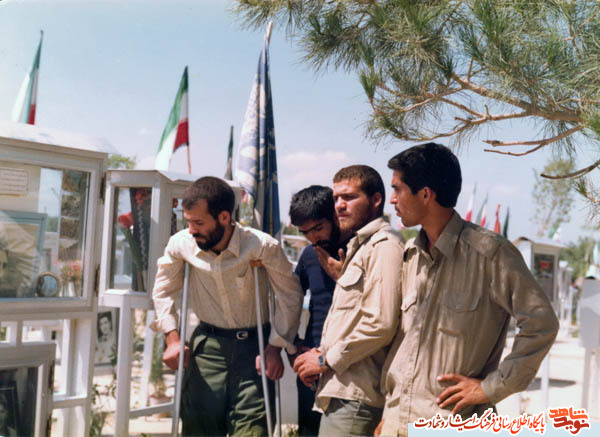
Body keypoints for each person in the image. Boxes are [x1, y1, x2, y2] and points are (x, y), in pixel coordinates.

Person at [378, 143, 559, 436]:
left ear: (425, 194)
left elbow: (542, 324)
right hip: (397, 422)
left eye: (398, 189)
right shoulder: (411, 255)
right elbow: (404, 343)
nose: (392, 200)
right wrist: (390, 413)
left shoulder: (490, 253)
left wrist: (490, 388)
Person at [151, 176, 303, 437]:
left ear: (223, 217)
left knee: (254, 430)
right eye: (188, 222)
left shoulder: (261, 246)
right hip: (208, 349)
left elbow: (289, 295)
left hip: (254, 350)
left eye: (199, 223)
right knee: (199, 429)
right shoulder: (182, 243)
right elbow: (163, 291)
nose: (191, 230)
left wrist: (275, 347)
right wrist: (172, 339)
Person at [293, 166, 404, 436]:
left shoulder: (383, 246)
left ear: (376, 199)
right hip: (326, 379)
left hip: (354, 386)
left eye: (349, 197)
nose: (340, 205)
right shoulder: (353, 249)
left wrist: (324, 360)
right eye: (336, 198)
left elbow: (380, 323)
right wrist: (294, 351)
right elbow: (289, 300)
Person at [288, 185, 351, 436]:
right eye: (305, 232)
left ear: (334, 216)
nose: (313, 238)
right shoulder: (308, 256)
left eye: (318, 228)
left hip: (348, 365)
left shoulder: (359, 251)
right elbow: (289, 301)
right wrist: (293, 347)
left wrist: (344, 278)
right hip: (310, 367)